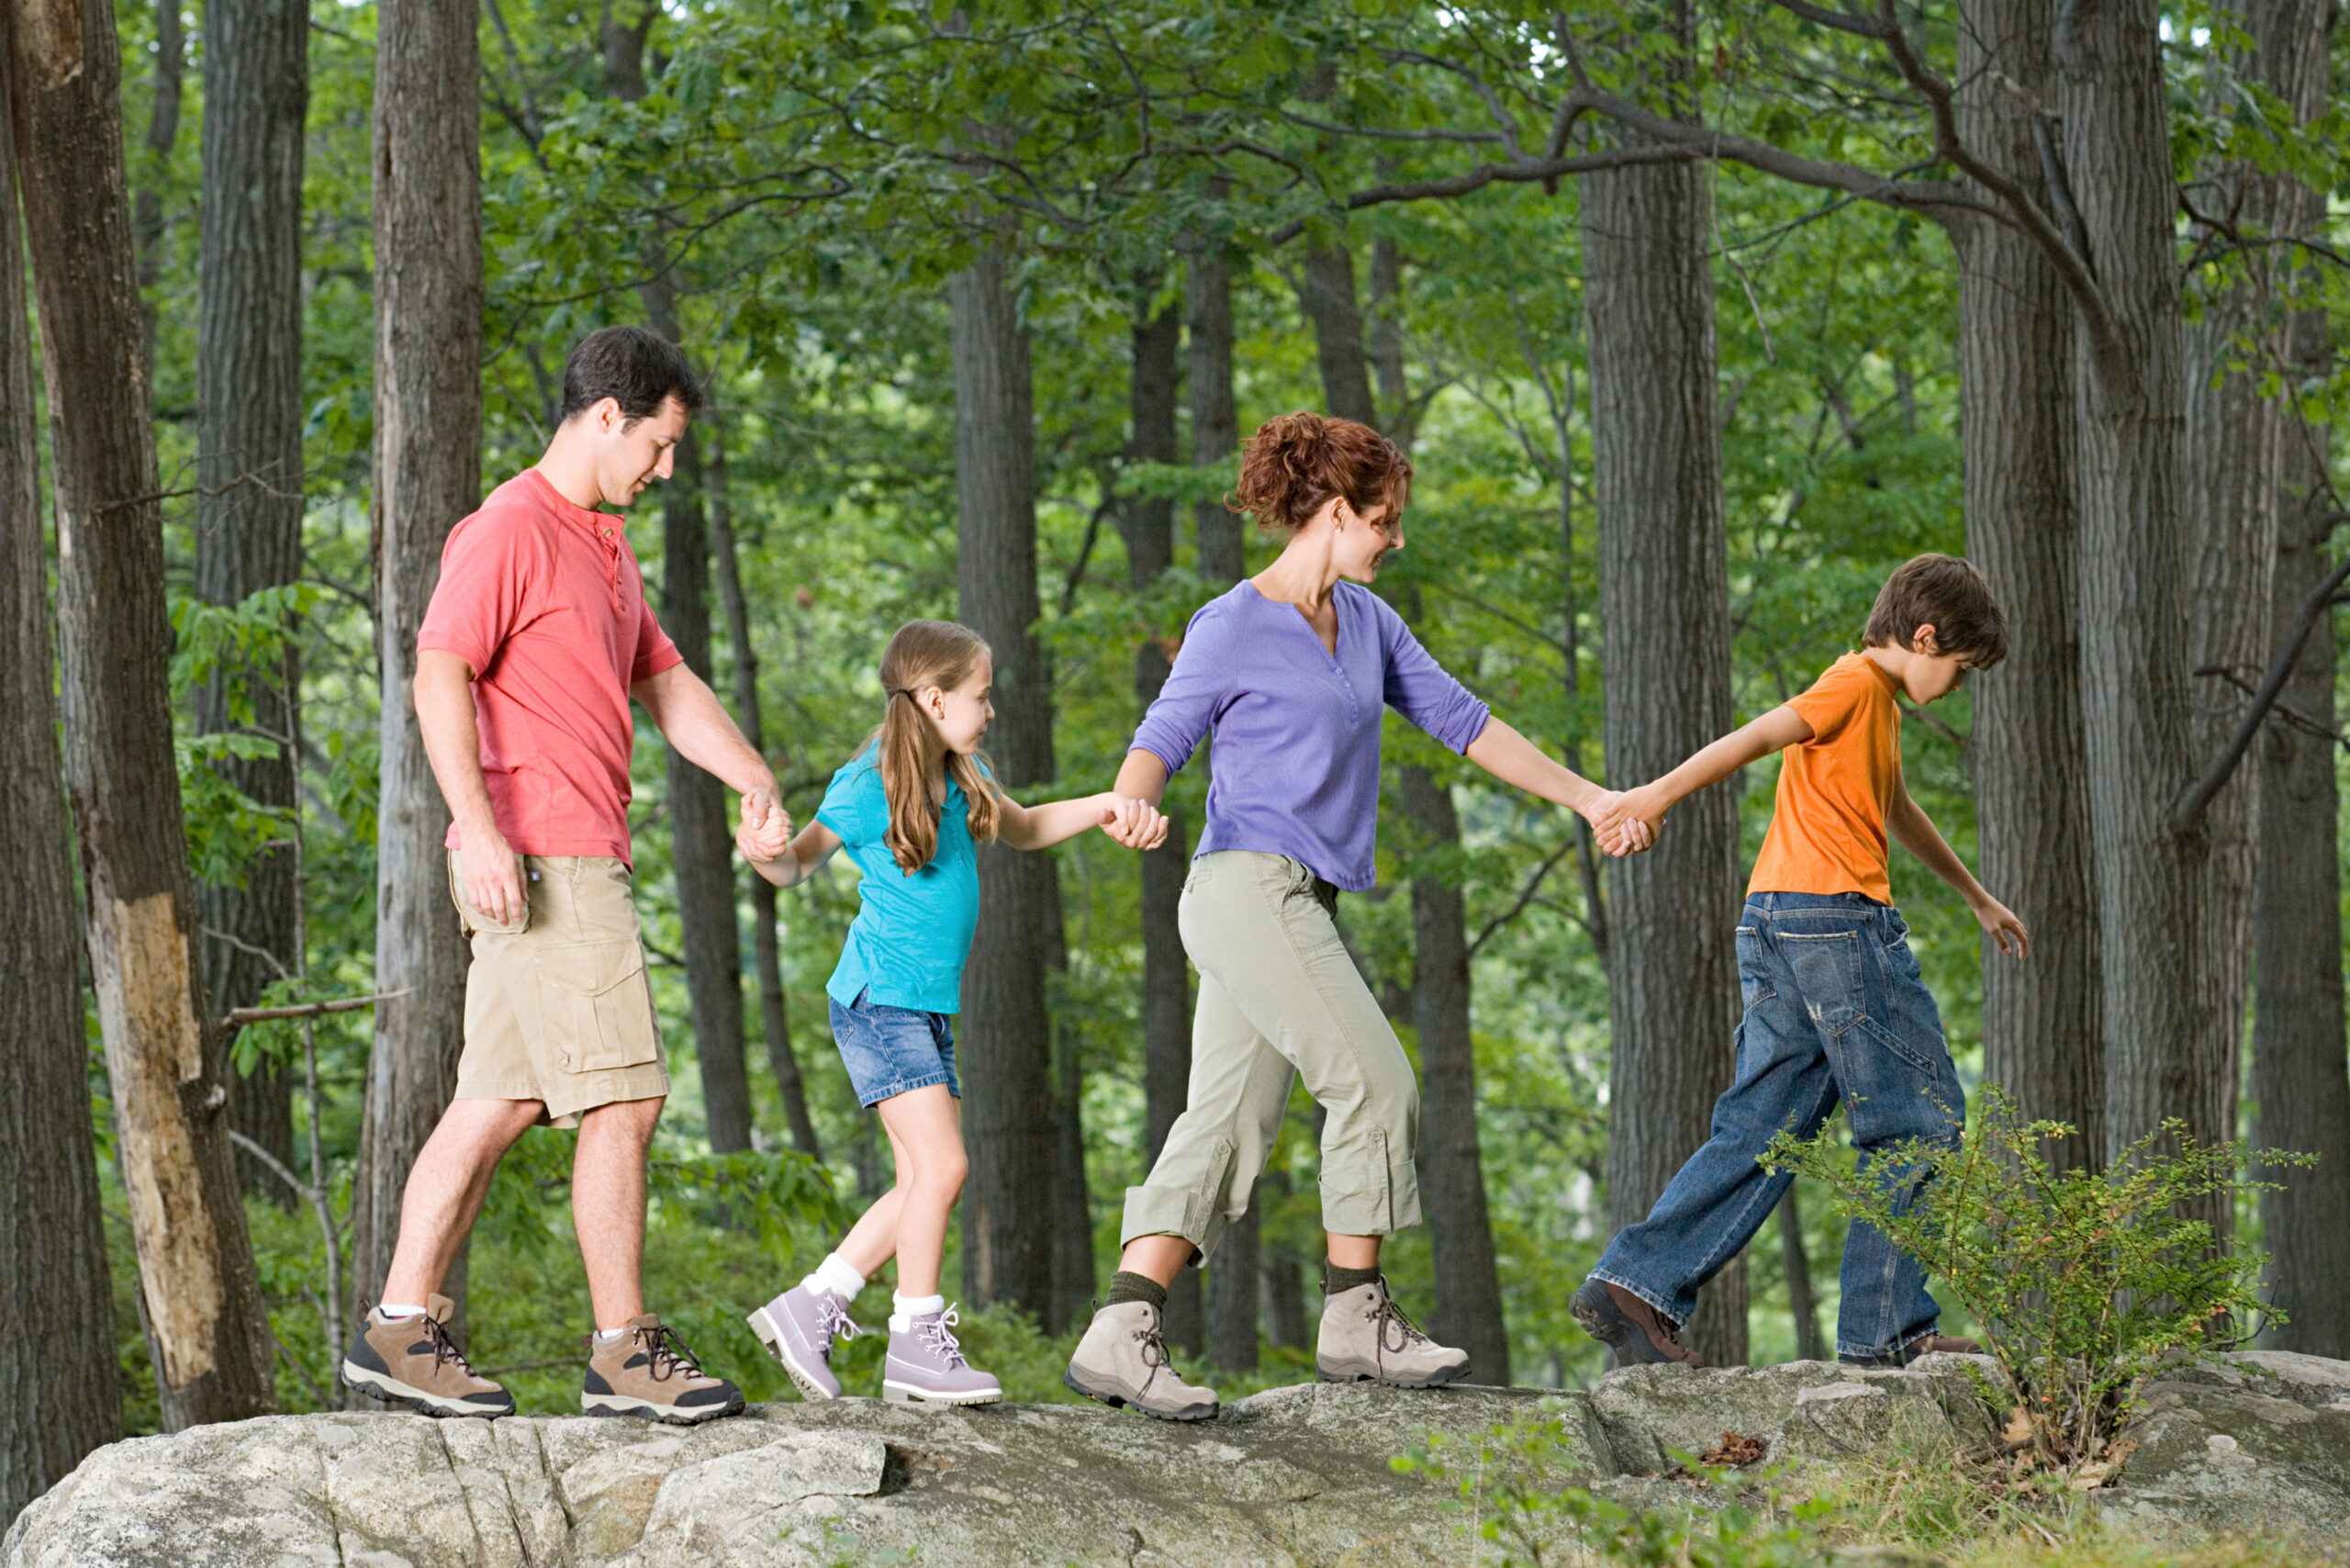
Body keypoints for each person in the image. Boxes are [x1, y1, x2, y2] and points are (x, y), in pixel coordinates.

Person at [1058, 410, 1645, 1421]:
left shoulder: (1371, 626)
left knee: (1225, 1121)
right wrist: (1133, 796)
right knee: (1376, 1082)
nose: (1396, 539)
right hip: (1245, 887)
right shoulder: (1231, 623)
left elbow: (1467, 723)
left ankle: (1119, 1327)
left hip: (1297, 899)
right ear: (1335, 512)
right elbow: (1159, 737)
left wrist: (1590, 798)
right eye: (1385, 520)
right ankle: (1354, 1314)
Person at [339, 326, 789, 1423]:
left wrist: (755, 779)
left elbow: (667, 683)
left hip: (566, 851)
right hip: (546, 855)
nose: (666, 469)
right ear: (605, 417)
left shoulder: (604, 545)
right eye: (660, 445)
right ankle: (623, 1351)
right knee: (627, 1098)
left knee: (496, 1103)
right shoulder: (509, 528)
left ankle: (398, 1331)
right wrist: (478, 830)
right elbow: (438, 670)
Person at [1576, 554, 2029, 1370]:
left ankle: (1634, 1284)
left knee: (1764, 1126)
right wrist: (1654, 796)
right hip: (1838, 925)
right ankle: (1884, 1332)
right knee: (1920, 1120)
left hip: (1779, 921)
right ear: (1924, 638)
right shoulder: (1854, 684)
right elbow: (1761, 732)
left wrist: (1975, 893)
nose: (1958, 688)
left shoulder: (1875, 708)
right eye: (1958, 670)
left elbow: (1894, 806)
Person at [744, 620, 1168, 1406]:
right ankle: (914, 1342)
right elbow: (794, 866)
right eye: (982, 695)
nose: (992, 710)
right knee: (945, 1167)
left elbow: (1032, 826)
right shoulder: (867, 783)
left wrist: (1111, 804)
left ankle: (811, 1308)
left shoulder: (962, 772)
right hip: (878, 1002)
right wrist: (761, 845)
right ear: (935, 699)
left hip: (923, 1011)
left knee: (919, 1183)